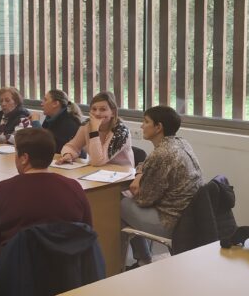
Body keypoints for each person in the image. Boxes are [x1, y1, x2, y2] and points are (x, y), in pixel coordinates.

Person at [0, 128, 92, 260]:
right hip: (67, 268)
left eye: (16, 152)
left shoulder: (3, 189)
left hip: (17, 269)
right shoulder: (73, 187)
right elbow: (87, 230)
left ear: (24, 158)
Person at [121, 105, 203, 267]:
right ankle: (143, 257)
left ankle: (120, 265)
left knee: (116, 204)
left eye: (146, 122)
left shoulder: (161, 154)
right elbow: (146, 164)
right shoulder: (181, 143)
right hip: (188, 216)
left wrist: (136, 182)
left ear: (158, 127)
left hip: (170, 222)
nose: (141, 126)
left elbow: (144, 199)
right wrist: (139, 174)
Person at [58, 91, 134, 168]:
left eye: (103, 109)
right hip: (96, 172)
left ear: (113, 113)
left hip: (121, 174)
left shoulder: (121, 131)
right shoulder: (87, 125)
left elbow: (97, 161)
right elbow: (72, 146)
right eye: (94, 109)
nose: (97, 113)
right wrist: (68, 154)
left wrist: (94, 130)